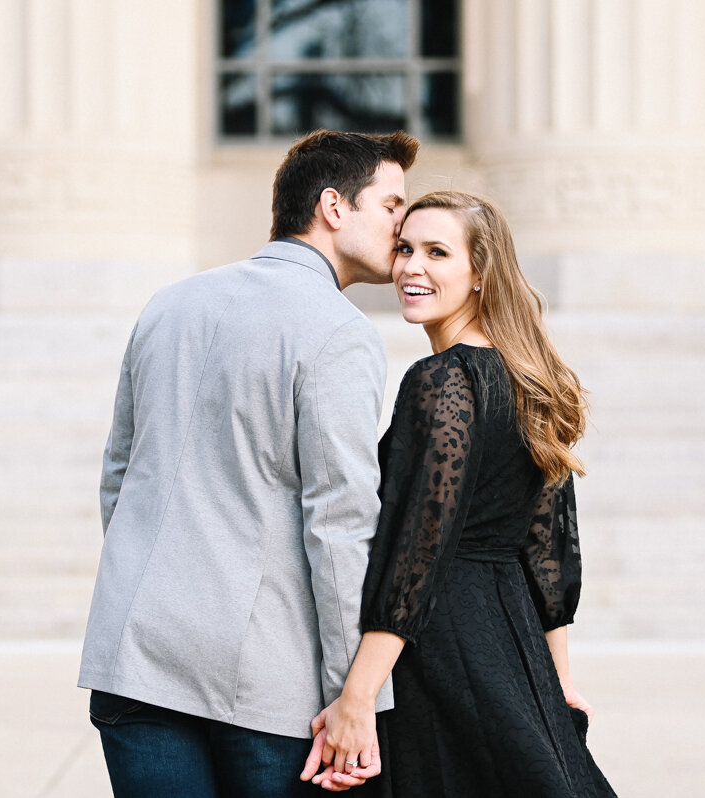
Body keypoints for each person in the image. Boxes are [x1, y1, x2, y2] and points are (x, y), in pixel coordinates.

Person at [78, 130, 420, 797]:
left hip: (133, 655)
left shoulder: (169, 304)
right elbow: (341, 526)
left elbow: (118, 474)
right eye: (392, 205)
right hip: (261, 684)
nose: (402, 227)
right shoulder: (340, 331)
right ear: (333, 207)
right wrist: (354, 698)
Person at [302, 191, 616, 796]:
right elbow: (548, 553)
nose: (410, 268)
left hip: (441, 645)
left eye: (437, 252)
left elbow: (417, 551)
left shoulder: (443, 380)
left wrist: (357, 698)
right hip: (508, 636)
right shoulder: (528, 378)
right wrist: (558, 683)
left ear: (480, 274)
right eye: (404, 249)